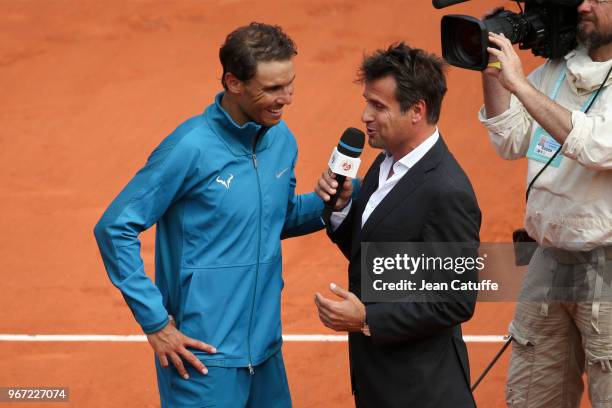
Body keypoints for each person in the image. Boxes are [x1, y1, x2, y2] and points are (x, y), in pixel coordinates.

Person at [94, 22, 325, 408]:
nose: (286, 98)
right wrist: (155, 321)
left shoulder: (282, 141)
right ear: (234, 83)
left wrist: (329, 203)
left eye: (289, 84)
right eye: (271, 89)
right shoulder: (190, 148)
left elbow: (275, 221)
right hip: (202, 359)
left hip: (266, 352)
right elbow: (115, 227)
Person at [314, 43, 481, 408]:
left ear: (417, 111)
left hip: (422, 391)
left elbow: (456, 300)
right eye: (367, 102)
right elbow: (378, 255)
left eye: (378, 106)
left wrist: (367, 318)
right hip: (381, 379)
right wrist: (342, 211)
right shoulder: (387, 161)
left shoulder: (447, 191)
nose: (365, 116)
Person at [479, 1, 612, 407]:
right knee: (533, 397)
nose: (584, 5)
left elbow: (596, 146)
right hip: (548, 261)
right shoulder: (557, 70)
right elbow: (510, 139)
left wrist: (520, 85)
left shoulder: (539, 82)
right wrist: (494, 73)